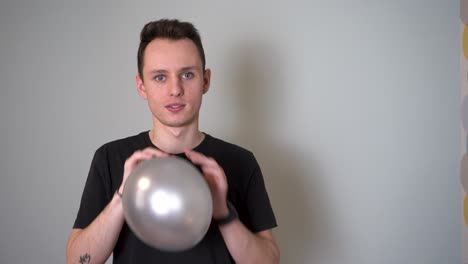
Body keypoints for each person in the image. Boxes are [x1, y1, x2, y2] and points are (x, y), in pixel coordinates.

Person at [66, 19, 279, 264]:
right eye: (159, 77)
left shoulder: (241, 161)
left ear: (205, 81)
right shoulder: (110, 157)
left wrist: (222, 210)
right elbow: (78, 261)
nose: (175, 89)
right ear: (141, 86)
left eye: (187, 74)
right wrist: (123, 196)